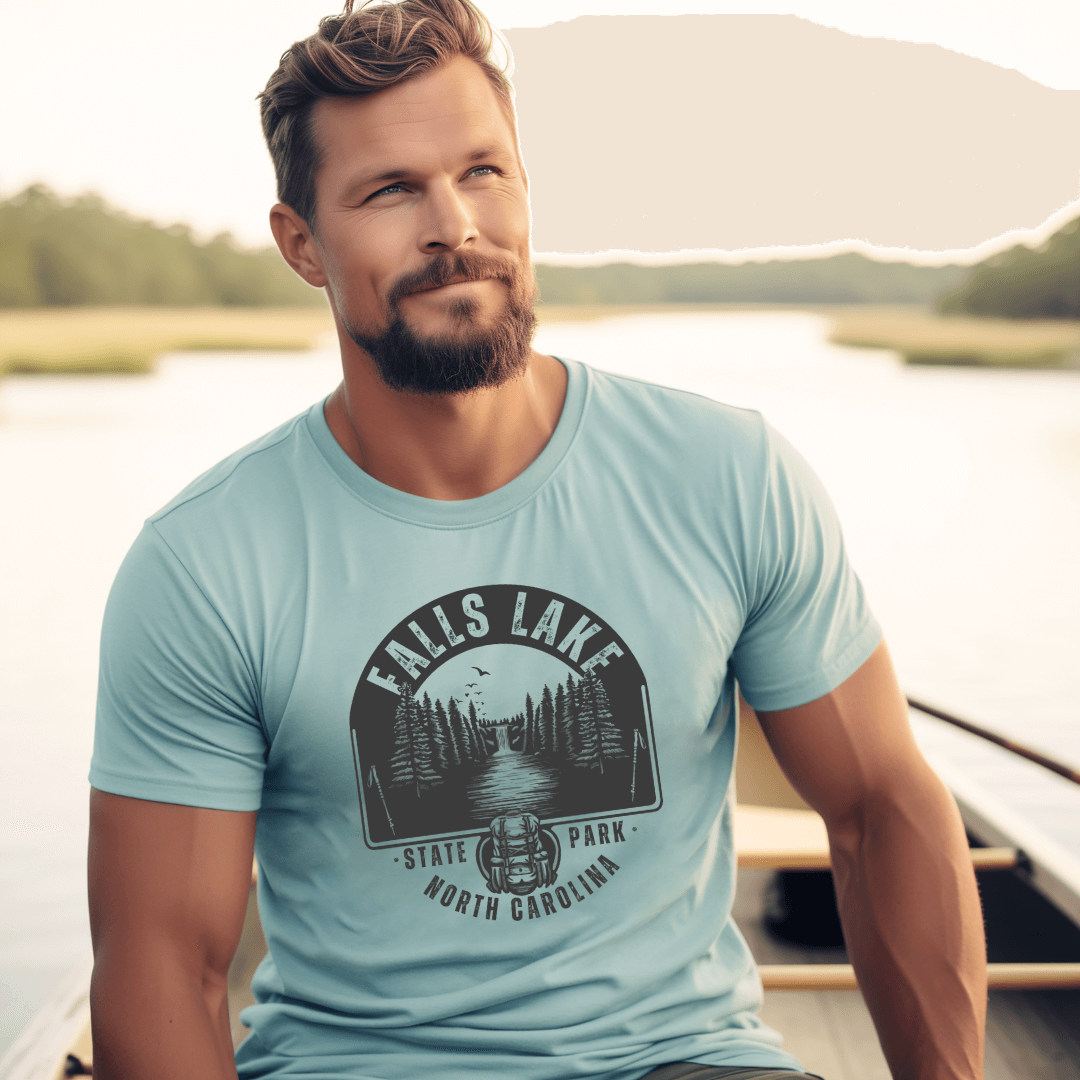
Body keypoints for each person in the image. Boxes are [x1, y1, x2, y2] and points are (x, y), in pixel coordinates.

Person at [86, 1, 987, 1078]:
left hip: (682, 1058)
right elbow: (164, 962)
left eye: (484, 172)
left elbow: (881, 806)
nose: (453, 224)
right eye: (389, 190)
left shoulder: (726, 476)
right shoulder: (206, 565)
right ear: (303, 246)